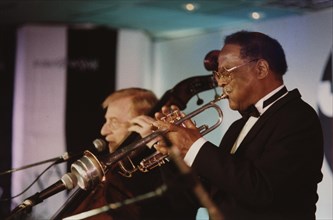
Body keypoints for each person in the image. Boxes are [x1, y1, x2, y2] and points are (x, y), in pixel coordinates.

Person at [148, 31, 324, 220]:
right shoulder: (237, 128)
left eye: (226, 71)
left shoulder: (297, 117)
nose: (220, 82)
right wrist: (175, 156)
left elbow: (263, 190)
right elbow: (204, 198)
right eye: (218, 74)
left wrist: (195, 147)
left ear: (261, 69)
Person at [66, 87, 199, 220]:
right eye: (106, 121)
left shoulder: (170, 169)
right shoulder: (112, 174)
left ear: (142, 123)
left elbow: (181, 210)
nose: (103, 131)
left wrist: (156, 143)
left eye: (114, 122)